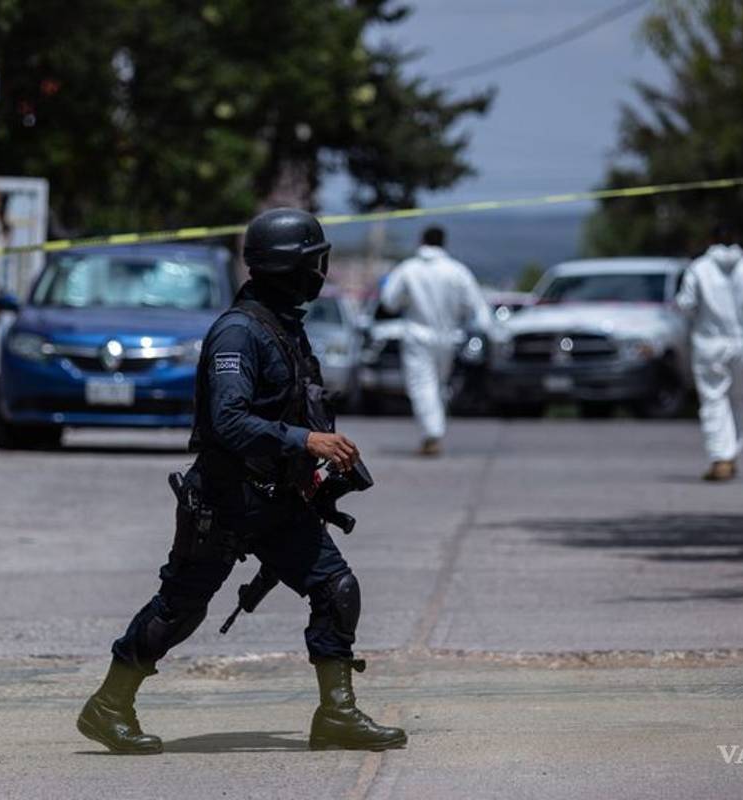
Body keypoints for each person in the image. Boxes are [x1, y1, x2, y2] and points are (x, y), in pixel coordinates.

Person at [76, 208, 407, 754]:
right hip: (226, 499)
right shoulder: (238, 332)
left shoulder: (286, 327)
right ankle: (108, 706)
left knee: (336, 589)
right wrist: (304, 442)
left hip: (278, 501)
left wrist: (314, 464)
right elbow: (228, 421)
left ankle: (338, 714)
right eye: (313, 262)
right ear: (288, 267)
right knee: (180, 607)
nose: (319, 273)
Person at [675, 226, 743, 481]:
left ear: (710, 240)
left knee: (714, 399)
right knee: (737, 398)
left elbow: (686, 305)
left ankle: (721, 456)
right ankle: (731, 452)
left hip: (710, 344)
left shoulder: (698, 269)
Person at [380, 226, 490, 456]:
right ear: (444, 242)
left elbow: (389, 300)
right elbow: (476, 305)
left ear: (421, 241)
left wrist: (407, 300)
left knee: (422, 385)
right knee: (438, 384)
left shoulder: (409, 269)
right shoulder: (456, 271)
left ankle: (432, 434)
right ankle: (433, 431)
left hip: (418, 335)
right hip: (448, 337)